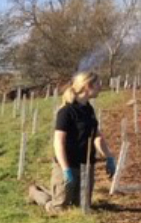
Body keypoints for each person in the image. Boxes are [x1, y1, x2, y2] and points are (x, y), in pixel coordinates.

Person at [29, 71, 115, 213]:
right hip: (68, 165)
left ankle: (53, 193)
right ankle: (36, 194)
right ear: (88, 86)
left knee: (82, 207)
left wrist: (109, 157)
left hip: (86, 166)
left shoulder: (89, 109)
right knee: (59, 208)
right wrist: (65, 169)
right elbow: (58, 142)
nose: (101, 86)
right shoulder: (66, 112)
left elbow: (97, 136)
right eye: (98, 83)